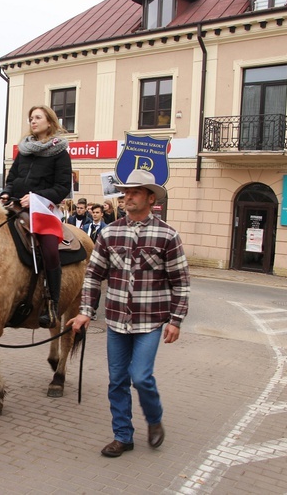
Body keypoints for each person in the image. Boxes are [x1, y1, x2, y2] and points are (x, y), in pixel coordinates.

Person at [67, 169, 190, 458]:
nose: (127, 197)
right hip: (116, 322)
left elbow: (180, 282)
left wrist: (176, 320)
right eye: (125, 193)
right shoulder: (109, 233)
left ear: (150, 197)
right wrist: (85, 311)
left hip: (150, 321)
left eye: (134, 192)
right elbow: (93, 276)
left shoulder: (167, 235)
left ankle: (154, 417)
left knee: (141, 376)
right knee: (117, 380)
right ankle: (123, 436)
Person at [0, 105, 72, 328]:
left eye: (38, 117)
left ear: (49, 122)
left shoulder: (60, 152)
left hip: (43, 210)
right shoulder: (24, 150)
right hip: (15, 206)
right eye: (31, 118)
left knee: (50, 248)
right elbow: (12, 178)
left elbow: (61, 188)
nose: (33, 121)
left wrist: (37, 197)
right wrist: (6, 192)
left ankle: (52, 303)